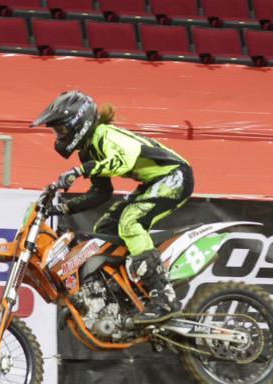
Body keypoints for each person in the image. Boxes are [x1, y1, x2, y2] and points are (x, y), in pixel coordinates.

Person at [31, 90, 194, 325]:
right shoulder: (88, 149)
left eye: (62, 129)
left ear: (79, 124)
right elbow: (101, 193)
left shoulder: (104, 134)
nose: (59, 136)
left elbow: (123, 162)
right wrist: (64, 209)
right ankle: (123, 295)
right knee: (106, 228)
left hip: (174, 176)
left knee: (130, 221)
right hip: (153, 182)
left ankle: (164, 300)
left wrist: (81, 171)